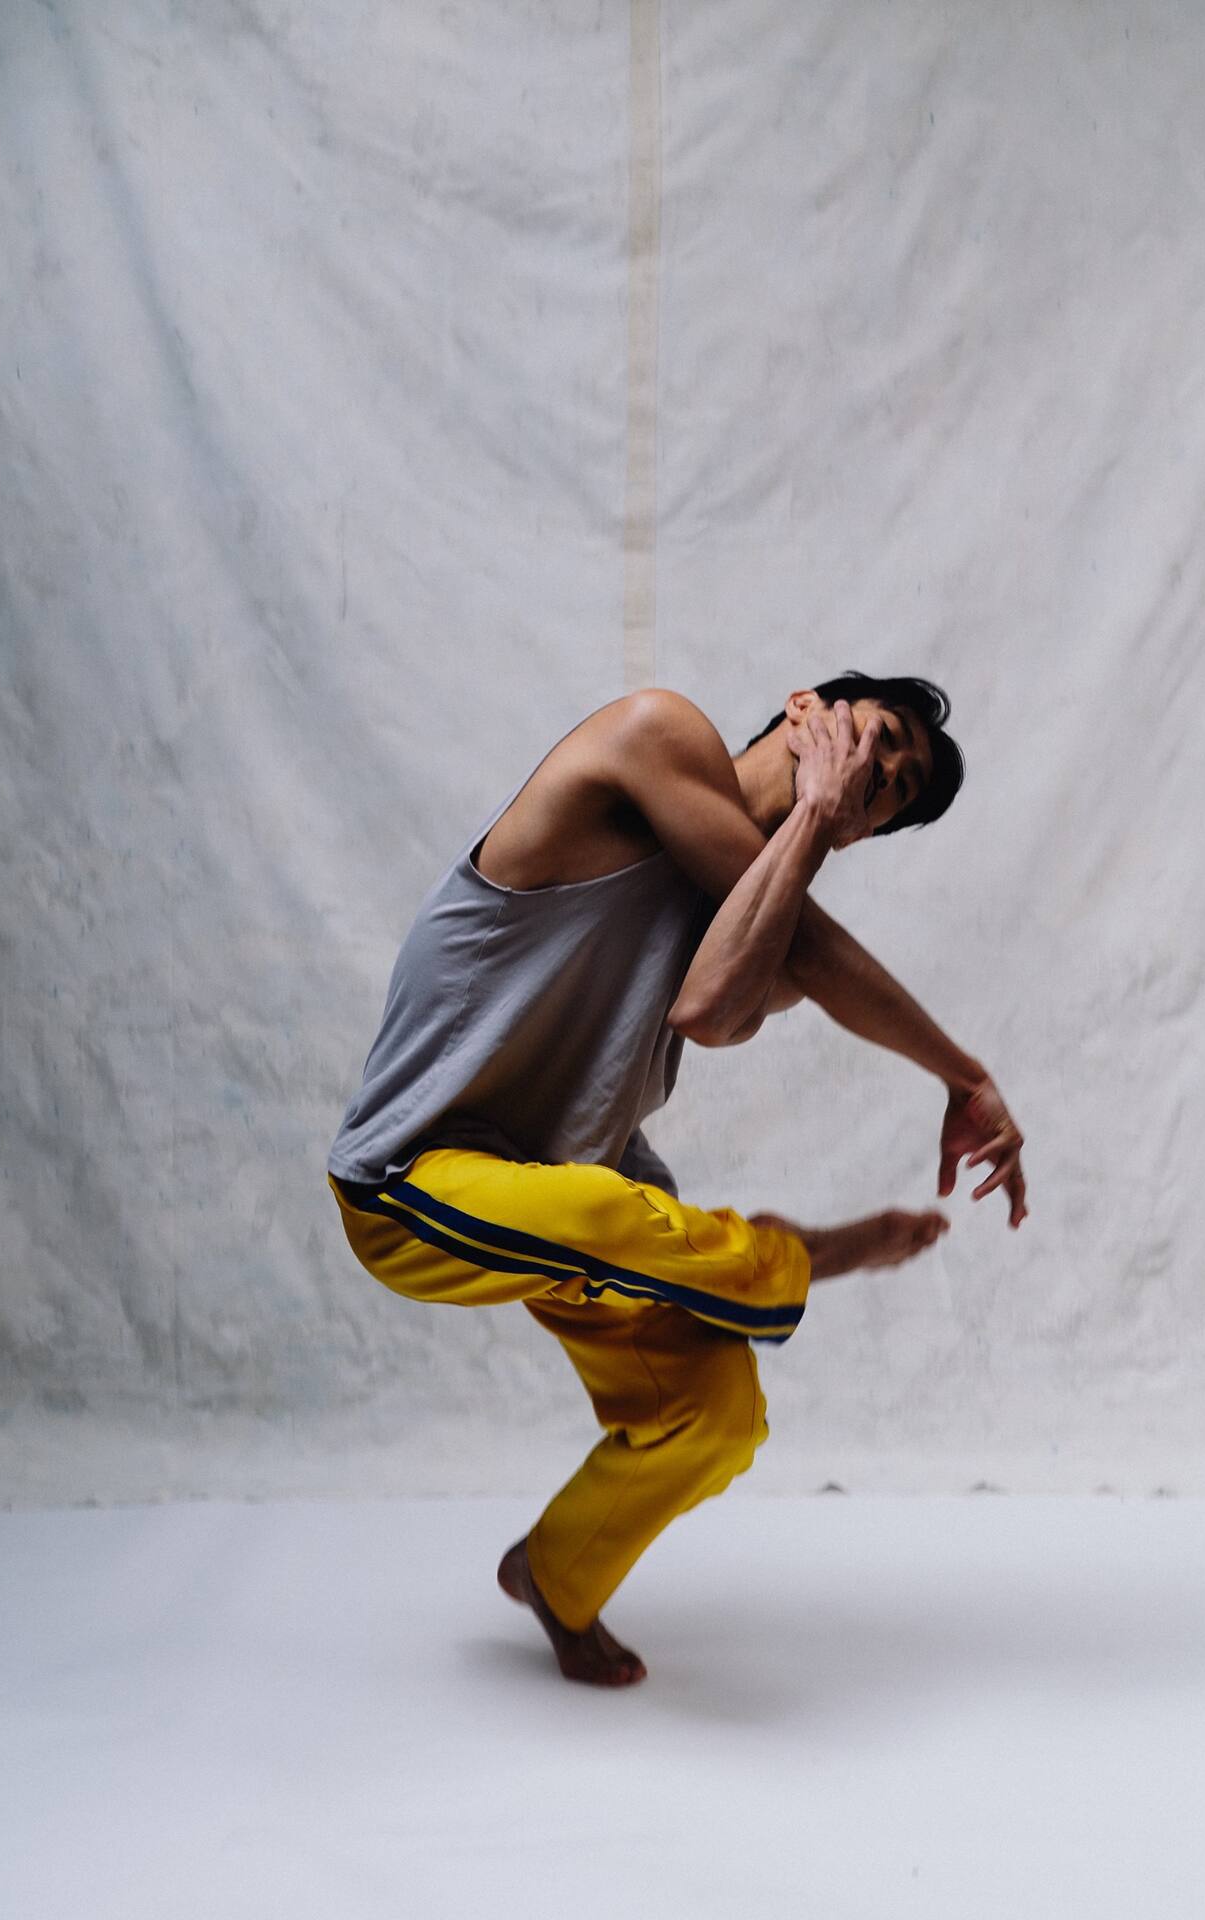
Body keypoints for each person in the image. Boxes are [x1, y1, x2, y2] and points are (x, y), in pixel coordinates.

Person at [328, 670, 1026, 1687]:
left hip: (569, 1202)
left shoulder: (774, 946)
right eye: (880, 738)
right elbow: (791, 957)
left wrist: (963, 1078)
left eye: (899, 790)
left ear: (869, 834)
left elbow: (712, 1002)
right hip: (413, 1180)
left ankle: (557, 1574)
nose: (881, 773)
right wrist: (964, 1075)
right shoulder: (654, 734)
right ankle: (801, 1253)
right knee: (604, 1210)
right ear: (805, 709)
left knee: (716, 1408)